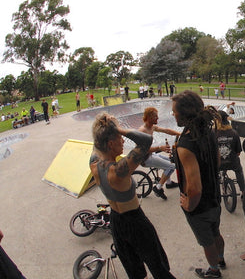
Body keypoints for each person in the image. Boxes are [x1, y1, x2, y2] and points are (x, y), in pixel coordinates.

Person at [89, 113, 175, 279]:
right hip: (136, 222)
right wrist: (119, 128)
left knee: (134, 271)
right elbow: (145, 141)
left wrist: (104, 127)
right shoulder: (118, 171)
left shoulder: (93, 163)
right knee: (159, 267)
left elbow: (97, 142)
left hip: (116, 221)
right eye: (119, 138)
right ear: (110, 143)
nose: (123, 141)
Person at [171, 91, 225, 278]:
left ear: (184, 114)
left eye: (174, 112)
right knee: (215, 232)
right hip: (215, 198)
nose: (172, 114)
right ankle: (221, 258)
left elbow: (194, 188)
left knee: (206, 241)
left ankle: (214, 270)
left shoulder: (185, 145)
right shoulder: (208, 131)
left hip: (200, 207)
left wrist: (189, 205)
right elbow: (217, 161)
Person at [138, 107, 181, 200]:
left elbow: (166, 130)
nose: (157, 118)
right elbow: (143, 150)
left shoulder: (152, 127)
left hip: (150, 155)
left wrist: (180, 134)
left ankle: (169, 183)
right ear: (149, 117)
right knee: (172, 166)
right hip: (145, 158)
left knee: (171, 161)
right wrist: (159, 148)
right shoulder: (142, 131)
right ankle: (158, 187)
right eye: (155, 117)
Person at [215, 110, 245, 193]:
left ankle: (214, 192)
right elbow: (238, 152)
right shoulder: (234, 133)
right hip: (232, 162)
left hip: (217, 164)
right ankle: (243, 190)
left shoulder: (212, 133)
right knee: (239, 170)